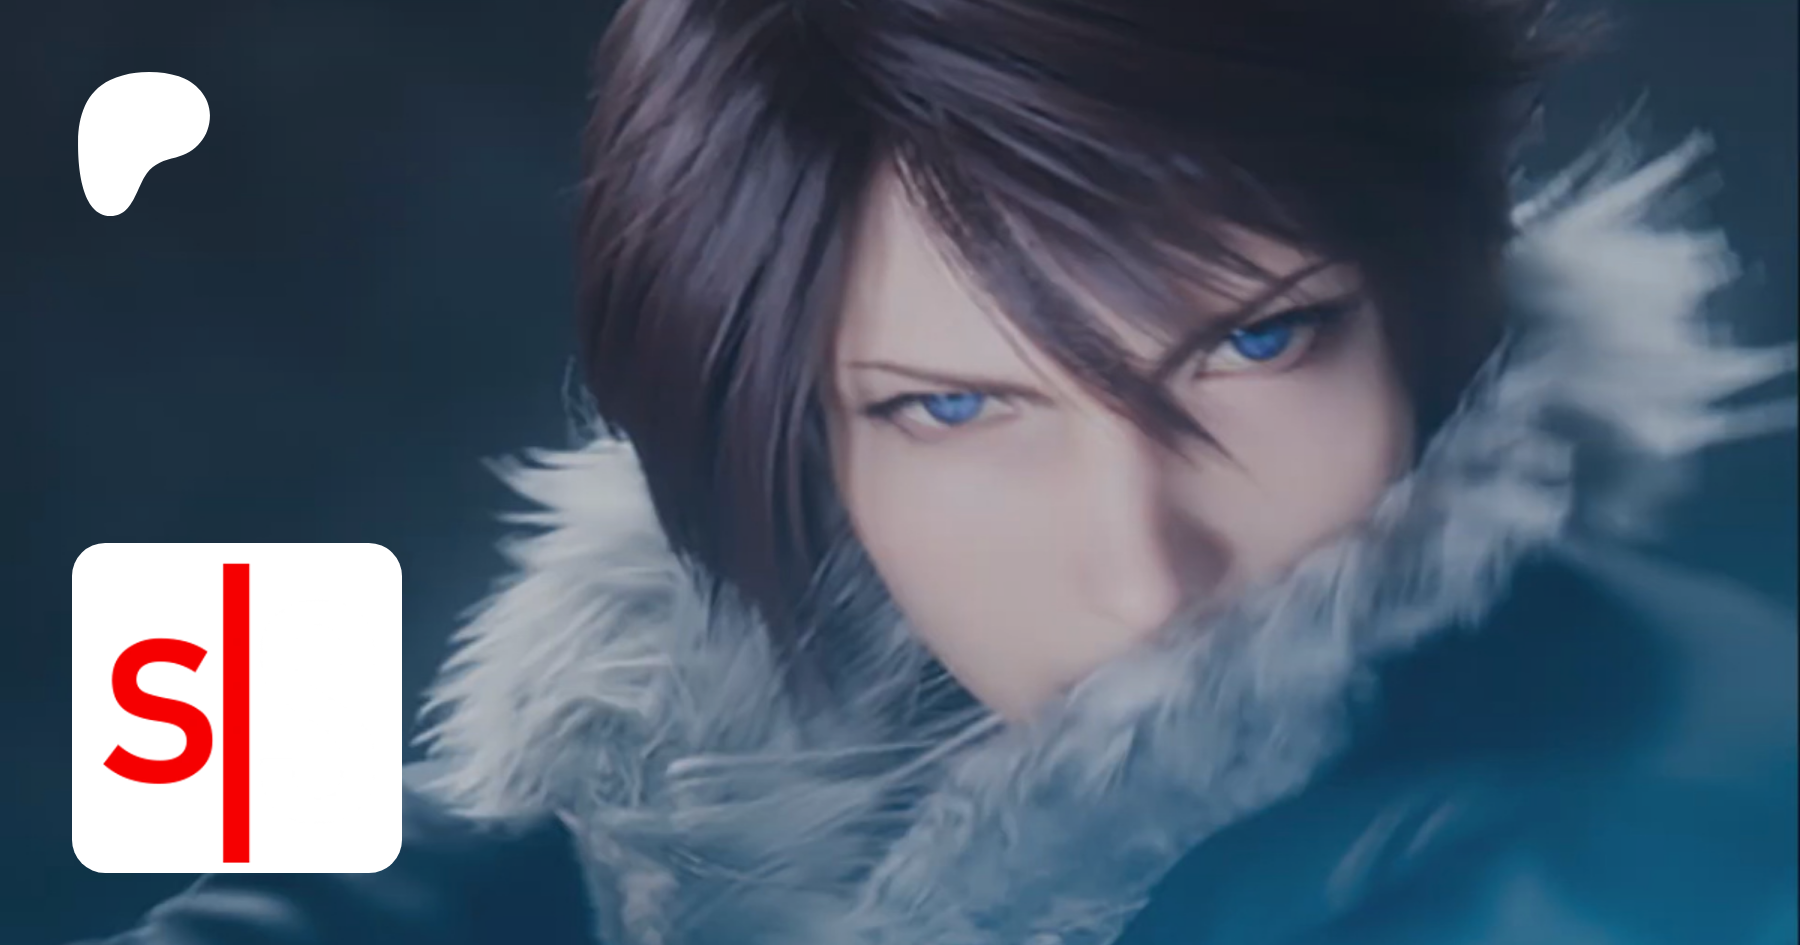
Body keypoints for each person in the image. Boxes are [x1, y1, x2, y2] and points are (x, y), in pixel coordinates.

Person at [80, 0, 1797, 943]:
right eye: (952, 410)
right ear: (796, 450)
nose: (1145, 572)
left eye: (1258, 343)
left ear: (1445, 303)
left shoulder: (1635, 857)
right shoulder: (647, 824)